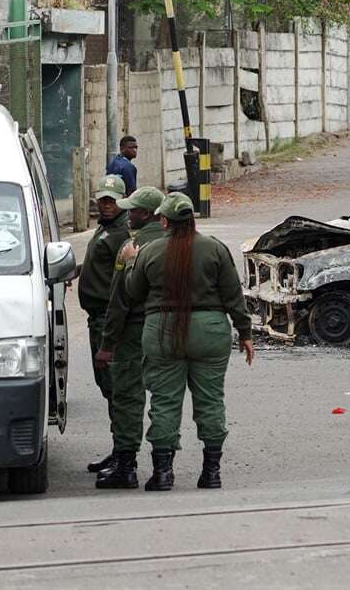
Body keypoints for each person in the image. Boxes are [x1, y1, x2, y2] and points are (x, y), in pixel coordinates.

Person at [125, 192, 255, 490]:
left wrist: (130, 263)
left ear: (165, 220)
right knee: (211, 400)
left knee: (164, 401)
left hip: (163, 330)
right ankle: (211, 473)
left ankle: (162, 474)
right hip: (210, 331)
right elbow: (233, 294)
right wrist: (245, 333)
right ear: (192, 219)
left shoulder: (149, 251)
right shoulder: (215, 249)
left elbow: (134, 292)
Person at [93, 186, 167, 489]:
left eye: (132, 211)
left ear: (146, 214)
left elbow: (119, 299)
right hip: (168, 328)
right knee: (165, 398)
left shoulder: (130, 247)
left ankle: (126, 465)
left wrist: (107, 343)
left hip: (134, 331)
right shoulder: (174, 243)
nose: (127, 215)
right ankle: (165, 467)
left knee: (127, 396)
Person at [79, 174, 131, 474]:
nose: (106, 205)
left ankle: (124, 454)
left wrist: (111, 335)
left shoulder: (121, 234)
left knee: (117, 390)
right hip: (96, 320)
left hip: (107, 321)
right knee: (109, 389)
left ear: (122, 200)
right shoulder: (106, 227)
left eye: (112, 200)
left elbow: (123, 285)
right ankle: (118, 449)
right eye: (103, 199)